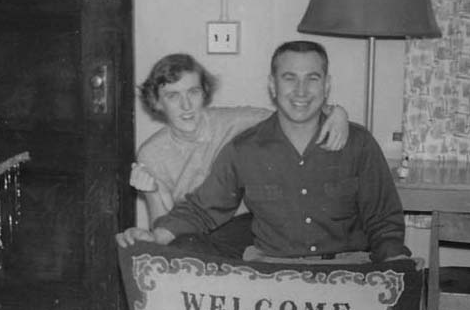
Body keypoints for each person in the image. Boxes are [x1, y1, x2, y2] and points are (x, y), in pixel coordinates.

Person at [117, 40, 409, 265]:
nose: (301, 90)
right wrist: (154, 236)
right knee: (184, 250)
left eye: (313, 78)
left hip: (347, 270)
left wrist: (395, 263)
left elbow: (384, 222)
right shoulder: (244, 147)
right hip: (273, 272)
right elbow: (201, 208)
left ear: (327, 85)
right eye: (289, 78)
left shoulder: (358, 143)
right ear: (272, 85)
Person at [129, 53, 349, 257]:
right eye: (172, 96)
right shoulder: (152, 152)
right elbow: (163, 227)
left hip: (246, 224)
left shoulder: (235, 121)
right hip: (193, 230)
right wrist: (152, 192)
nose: (186, 105)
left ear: (204, 93)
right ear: (157, 102)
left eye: (193, 92)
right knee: (179, 251)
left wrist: (337, 112)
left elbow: (295, 113)